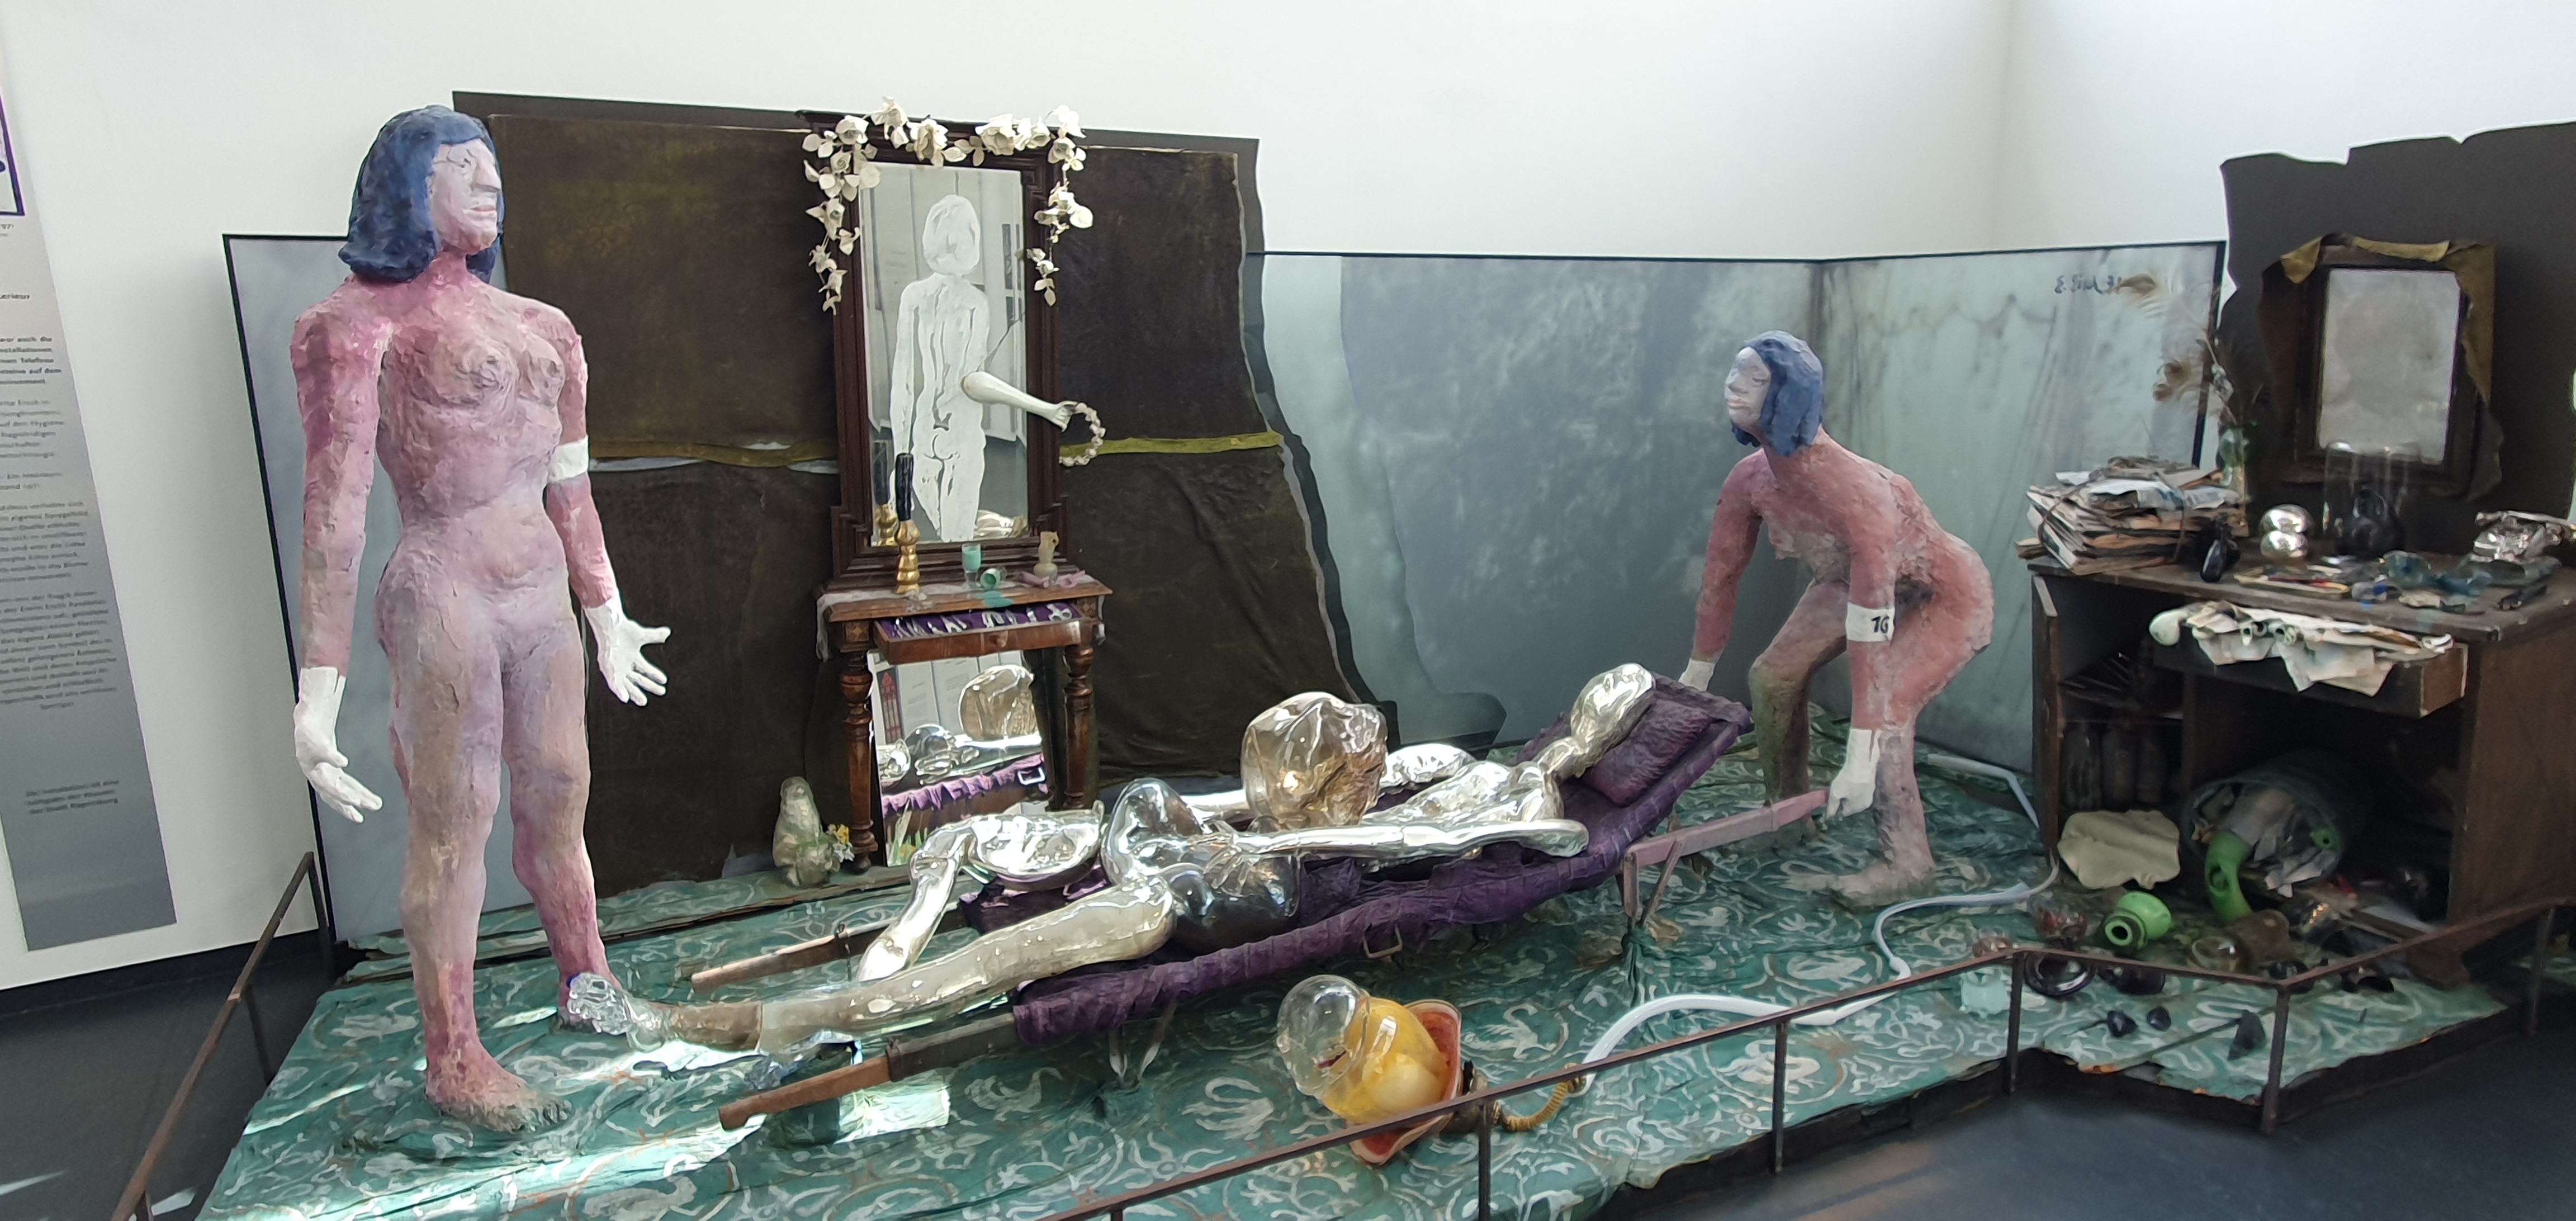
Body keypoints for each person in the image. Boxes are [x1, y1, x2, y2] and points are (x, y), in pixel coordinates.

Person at [289, 106, 670, 1131]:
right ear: (408, 187)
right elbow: (334, 509)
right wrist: (316, 693)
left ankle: (588, 980)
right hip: (443, 586)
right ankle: (453, 1054)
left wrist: (607, 612)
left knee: (559, 798)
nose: (489, 184)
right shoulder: (353, 326)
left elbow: (570, 484)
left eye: (491, 165)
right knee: (456, 821)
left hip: (539, 593)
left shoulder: (544, 325)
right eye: (462, 168)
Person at [1678, 332, 1992, 903]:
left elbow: (1872, 627)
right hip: (1849, 581)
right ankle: (1788, 816)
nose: (1732, 386)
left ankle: (1908, 864)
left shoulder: (1858, 493)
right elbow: (1720, 577)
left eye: (1753, 379)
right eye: (1735, 372)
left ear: (1789, 395)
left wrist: (1860, 759)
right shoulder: (1750, 480)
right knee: (1771, 677)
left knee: (1888, 713)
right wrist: (1694, 679)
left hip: (1941, 594)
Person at [888, 193, 992, 542]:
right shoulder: (969, 302)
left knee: (952, 539)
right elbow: (906, 377)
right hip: (943, 435)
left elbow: (905, 380)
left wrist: (902, 453)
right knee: (953, 542)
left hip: (936, 434)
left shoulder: (920, 297)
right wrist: (902, 456)